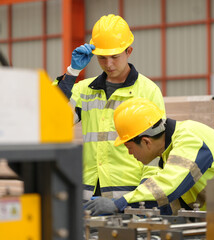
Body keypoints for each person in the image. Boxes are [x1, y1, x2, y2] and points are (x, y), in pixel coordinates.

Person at [85, 98, 214, 216]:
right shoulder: (166, 151)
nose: (129, 153)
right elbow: (165, 193)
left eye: (128, 147)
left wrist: (119, 203)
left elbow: (170, 185)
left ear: (146, 141)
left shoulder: (187, 138)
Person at [55, 14, 165, 201]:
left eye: (114, 57)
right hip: (88, 193)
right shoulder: (84, 90)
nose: (109, 64)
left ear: (128, 51)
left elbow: (156, 150)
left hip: (129, 194)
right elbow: (53, 116)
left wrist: (143, 197)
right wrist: (72, 73)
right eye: (102, 58)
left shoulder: (147, 91)